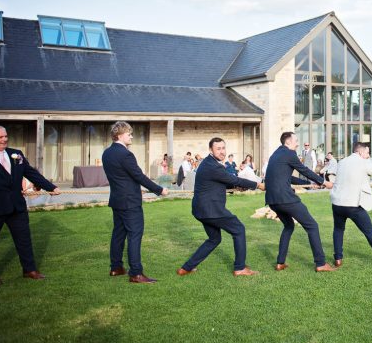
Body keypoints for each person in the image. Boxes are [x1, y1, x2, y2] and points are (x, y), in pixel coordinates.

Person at [0, 125, 61, 286]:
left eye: (5, 136)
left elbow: (30, 173)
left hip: (17, 207)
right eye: (0, 137)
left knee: (24, 239)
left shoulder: (16, 155)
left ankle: (29, 270)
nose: (5, 139)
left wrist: (50, 187)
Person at [178, 138, 266, 277]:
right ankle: (240, 268)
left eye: (223, 148)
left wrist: (237, 187)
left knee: (214, 239)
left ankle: (186, 268)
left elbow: (222, 182)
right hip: (211, 209)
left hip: (201, 210)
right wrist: (258, 185)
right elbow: (233, 179)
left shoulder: (209, 163)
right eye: (218, 148)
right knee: (239, 229)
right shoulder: (213, 166)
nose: (222, 151)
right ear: (211, 150)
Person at [102, 121, 168, 283]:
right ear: (119, 135)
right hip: (130, 202)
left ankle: (116, 268)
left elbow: (123, 177)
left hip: (117, 200)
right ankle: (136, 273)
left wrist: (134, 187)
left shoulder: (107, 153)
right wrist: (159, 190)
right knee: (134, 235)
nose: (131, 135)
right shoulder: (125, 154)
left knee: (118, 234)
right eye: (128, 133)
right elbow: (138, 176)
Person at [264, 132, 335, 272]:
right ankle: (321, 264)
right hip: (285, 199)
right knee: (312, 226)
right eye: (296, 141)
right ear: (288, 142)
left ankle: (280, 262)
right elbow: (304, 170)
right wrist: (323, 182)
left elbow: (286, 177)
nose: (298, 143)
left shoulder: (276, 155)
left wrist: (308, 183)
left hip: (272, 200)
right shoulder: (290, 154)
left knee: (289, 226)